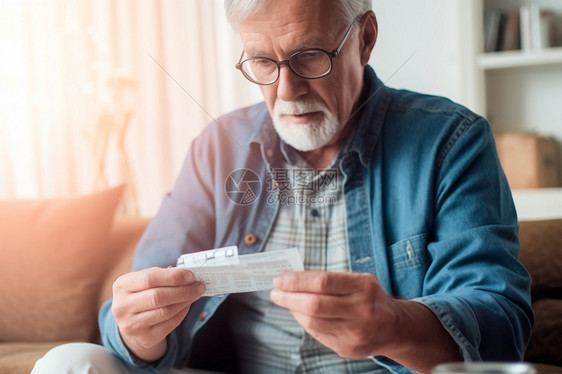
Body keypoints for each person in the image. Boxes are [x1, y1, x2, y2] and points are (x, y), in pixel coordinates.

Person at [32, 0, 533, 373]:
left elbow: (499, 326)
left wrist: (393, 325)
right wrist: (138, 331)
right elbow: (134, 316)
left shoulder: (450, 141)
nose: (286, 90)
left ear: (365, 38)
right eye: (263, 63)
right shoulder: (217, 148)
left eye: (309, 56)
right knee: (69, 361)